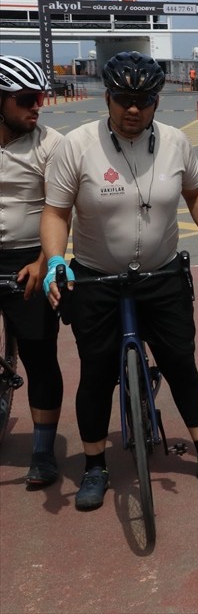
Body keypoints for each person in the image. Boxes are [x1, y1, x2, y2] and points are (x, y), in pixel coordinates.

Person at [40, 51, 198, 511]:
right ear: (107, 98)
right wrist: (57, 260)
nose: (132, 109)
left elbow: (196, 191)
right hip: (96, 278)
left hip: (161, 275)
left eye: (143, 100)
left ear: (157, 101)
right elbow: (56, 212)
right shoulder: (76, 145)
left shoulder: (176, 142)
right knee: (96, 374)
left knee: (181, 364)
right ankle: (94, 465)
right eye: (123, 99)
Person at [0, 55, 65, 489]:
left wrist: (44, 262)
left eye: (40, 97)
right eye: (26, 99)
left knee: (40, 356)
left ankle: (42, 450)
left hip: (29, 258)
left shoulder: (50, 144)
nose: (37, 106)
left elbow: (61, 210)